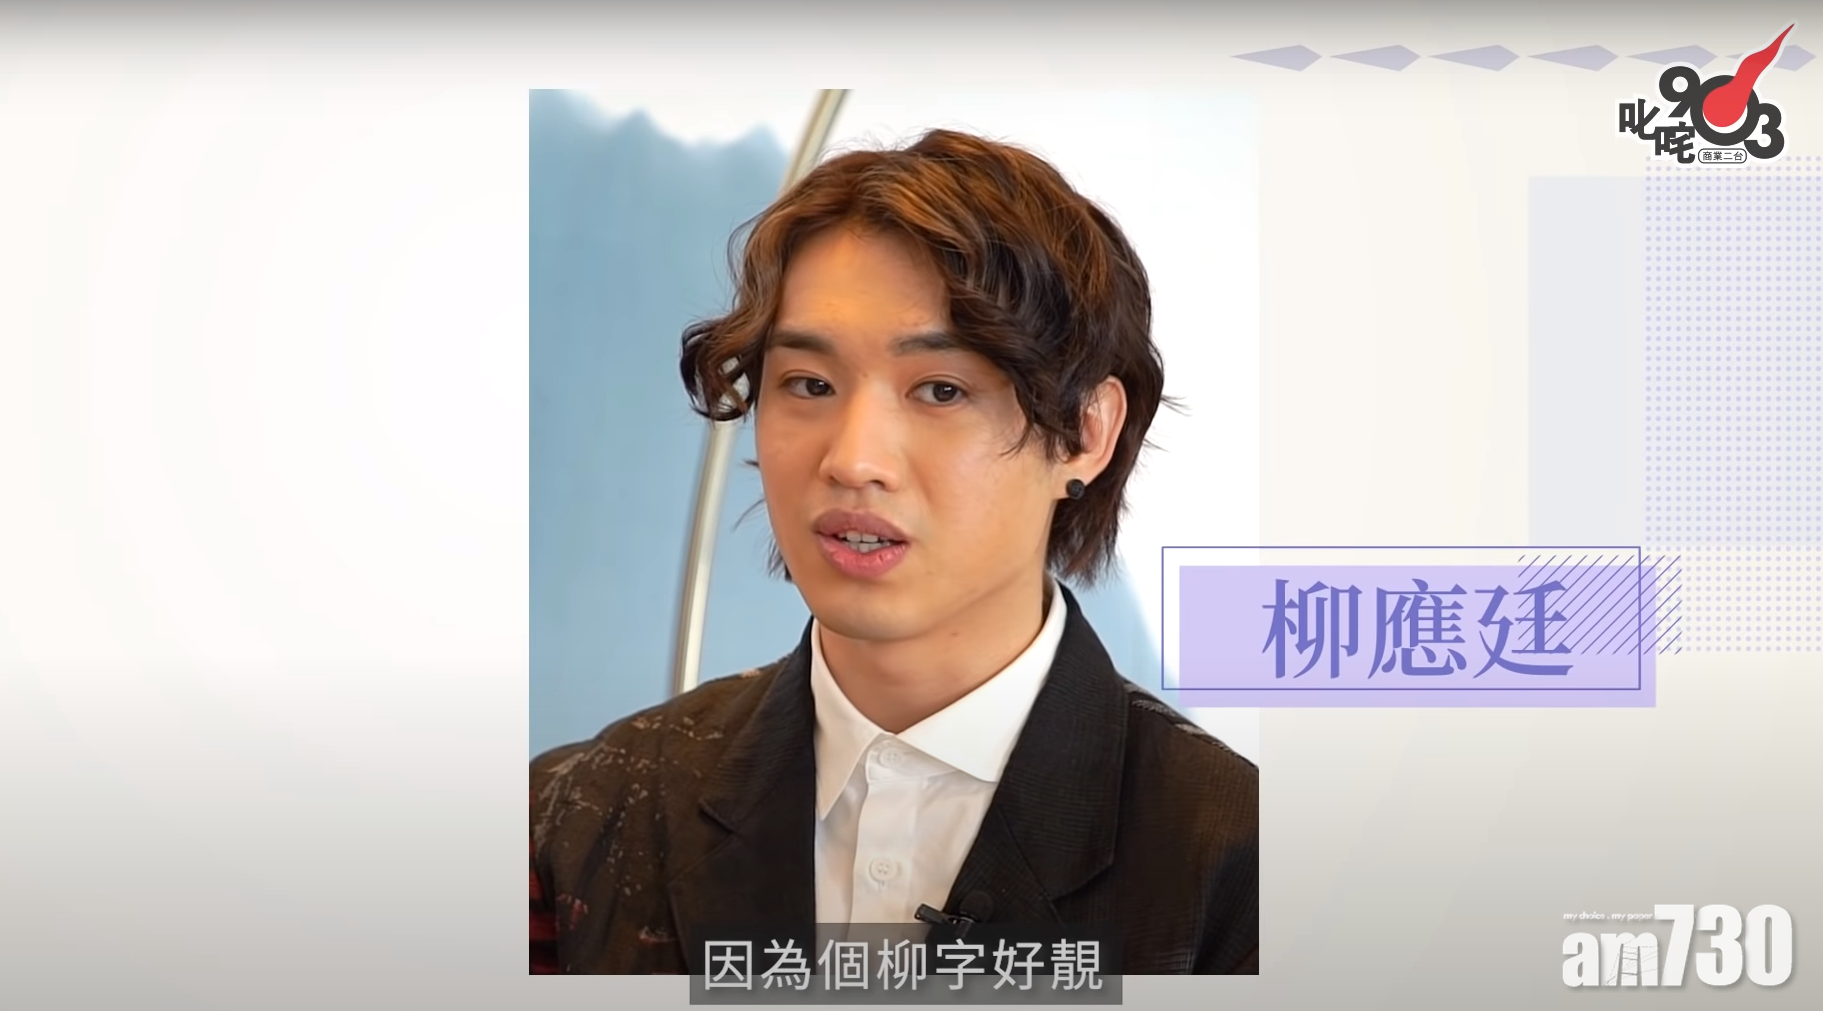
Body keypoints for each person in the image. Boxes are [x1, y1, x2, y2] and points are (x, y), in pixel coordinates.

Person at [530, 128, 1258, 975]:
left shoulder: (1235, 865)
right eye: (809, 384)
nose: (853, 459)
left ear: (1085, 431)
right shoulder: (578, 818)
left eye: (940, 390)